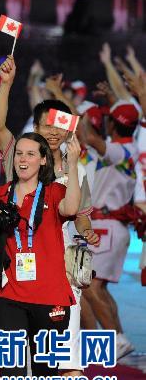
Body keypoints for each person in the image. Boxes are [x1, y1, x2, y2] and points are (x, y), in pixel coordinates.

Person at [0, 132, 81, 380]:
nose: (22, 159)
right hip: (7, 295)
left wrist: (72, 165)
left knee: (46, 374)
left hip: (50, 297)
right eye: (18, 154)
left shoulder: (54, 192)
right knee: (11, 375)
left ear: (42, 160)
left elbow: (72, 208)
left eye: (30, 154)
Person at [78, 101, 140, 360]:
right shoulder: (126, 148)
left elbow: (89, 137)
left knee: (89, 286)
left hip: (108, 226)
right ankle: (118, 339)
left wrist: (79, 115)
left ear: (113, 124)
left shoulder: (120, 150)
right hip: (107, 226)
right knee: (98, 288)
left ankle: (115, 338)